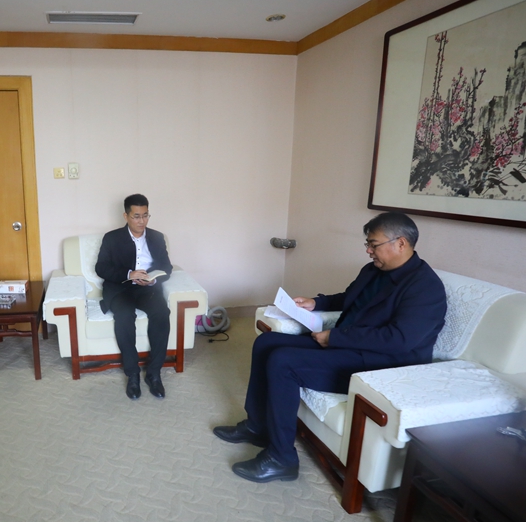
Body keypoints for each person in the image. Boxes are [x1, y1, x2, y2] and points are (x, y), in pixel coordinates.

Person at [213, 212, 447, 483]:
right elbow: (350, 298)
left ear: (401, 243)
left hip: (380, 364)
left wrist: (335, 338)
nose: (368, 250)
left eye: (374, 244)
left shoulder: (425, 288)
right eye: (368, 244)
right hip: (348, 346)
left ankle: (282, 459)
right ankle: (258, 426)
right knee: (266, 342)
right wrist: (316, 303)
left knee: (283, 361)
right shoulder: (374, 270)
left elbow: (398, 339)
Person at [95, 194, 174, 400]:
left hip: (147, 289)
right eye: (136, 216)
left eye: (145, 215)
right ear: (126, 216)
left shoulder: (157, 237)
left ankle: (154, 373)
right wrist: (129, 274)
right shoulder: (112, 238)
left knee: (162, 313)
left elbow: (167, 268)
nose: (142, 221)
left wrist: (153, 280)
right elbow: (101, 268)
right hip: (120, 288)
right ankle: (133, 375)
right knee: (124, 315)